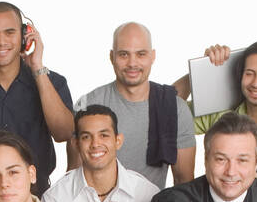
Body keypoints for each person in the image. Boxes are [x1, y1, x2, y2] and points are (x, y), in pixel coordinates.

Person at [0, 1, 73, 194]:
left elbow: (64, 133)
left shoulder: (51, 81)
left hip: (36, 195)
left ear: (25, 36)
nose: (1, 42)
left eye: (9, 32)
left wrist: (38, 68)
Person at [70, 22, 195, 188]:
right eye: (123, 54)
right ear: (111, 57)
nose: (132, 63)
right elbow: (73, 178)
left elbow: (184, 182)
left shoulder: (176, 109)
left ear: (152, 56)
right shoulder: (88, 105)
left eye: (141, 54)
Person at [43, 105, 160, 202]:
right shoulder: (55, 199)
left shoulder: (147, 194)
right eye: (86, 137)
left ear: (118, 141)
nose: (95, 144)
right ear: (76, 144)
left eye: (103, 135)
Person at [174, 40, 257, 155]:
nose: (256, 83)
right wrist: (200, 72)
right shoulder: (219, 114)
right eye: (249, 74)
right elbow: (165, 113)